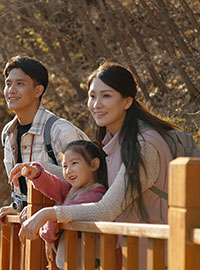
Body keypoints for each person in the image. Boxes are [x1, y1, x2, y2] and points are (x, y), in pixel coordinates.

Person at [18, 62, 174, 268]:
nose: (96, 104)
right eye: (92, 96)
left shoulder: (144, 146)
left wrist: (49, 213)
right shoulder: (115, 140)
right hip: (134, 255)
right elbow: (86, 175)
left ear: (127, 101)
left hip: (159, 257)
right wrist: (37, 170)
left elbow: (106, 208)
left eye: (106, 96)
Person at [0, 55, 90, 225]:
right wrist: (19, 206)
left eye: (20, 84)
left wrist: (47, 210)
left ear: (38, 91)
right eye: (8, 84)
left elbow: (90, 182)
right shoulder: (7, 133)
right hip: (32, 230)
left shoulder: (60, 131)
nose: (11, 90)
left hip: (64, 230)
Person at [9, 140, 107, 269]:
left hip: (86, 263)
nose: (68, 170)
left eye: (74, 163)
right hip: (70, 262)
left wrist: (48, 236)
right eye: (65, 166)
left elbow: (62, 211)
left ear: (94, 164)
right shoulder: (74, 190)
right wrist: (37, 174)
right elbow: (54, 186)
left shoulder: (95, 194)